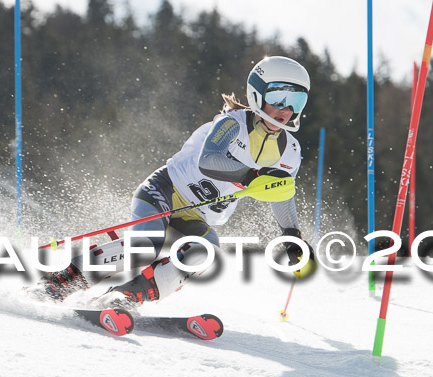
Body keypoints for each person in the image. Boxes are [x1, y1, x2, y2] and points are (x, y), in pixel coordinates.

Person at [31, 56, 317, 308]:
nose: (286, 109)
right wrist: (251, 176)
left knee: (206, 254)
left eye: (297, 101)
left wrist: (291, 234)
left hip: (195, 214)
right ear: (257, 94)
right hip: (164, 191)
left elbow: (282, 194)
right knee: (145, 246)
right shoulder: (232, 123)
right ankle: (60, 282)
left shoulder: (290, 152)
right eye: (279, 98)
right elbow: (210, 159)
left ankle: (125, 297)